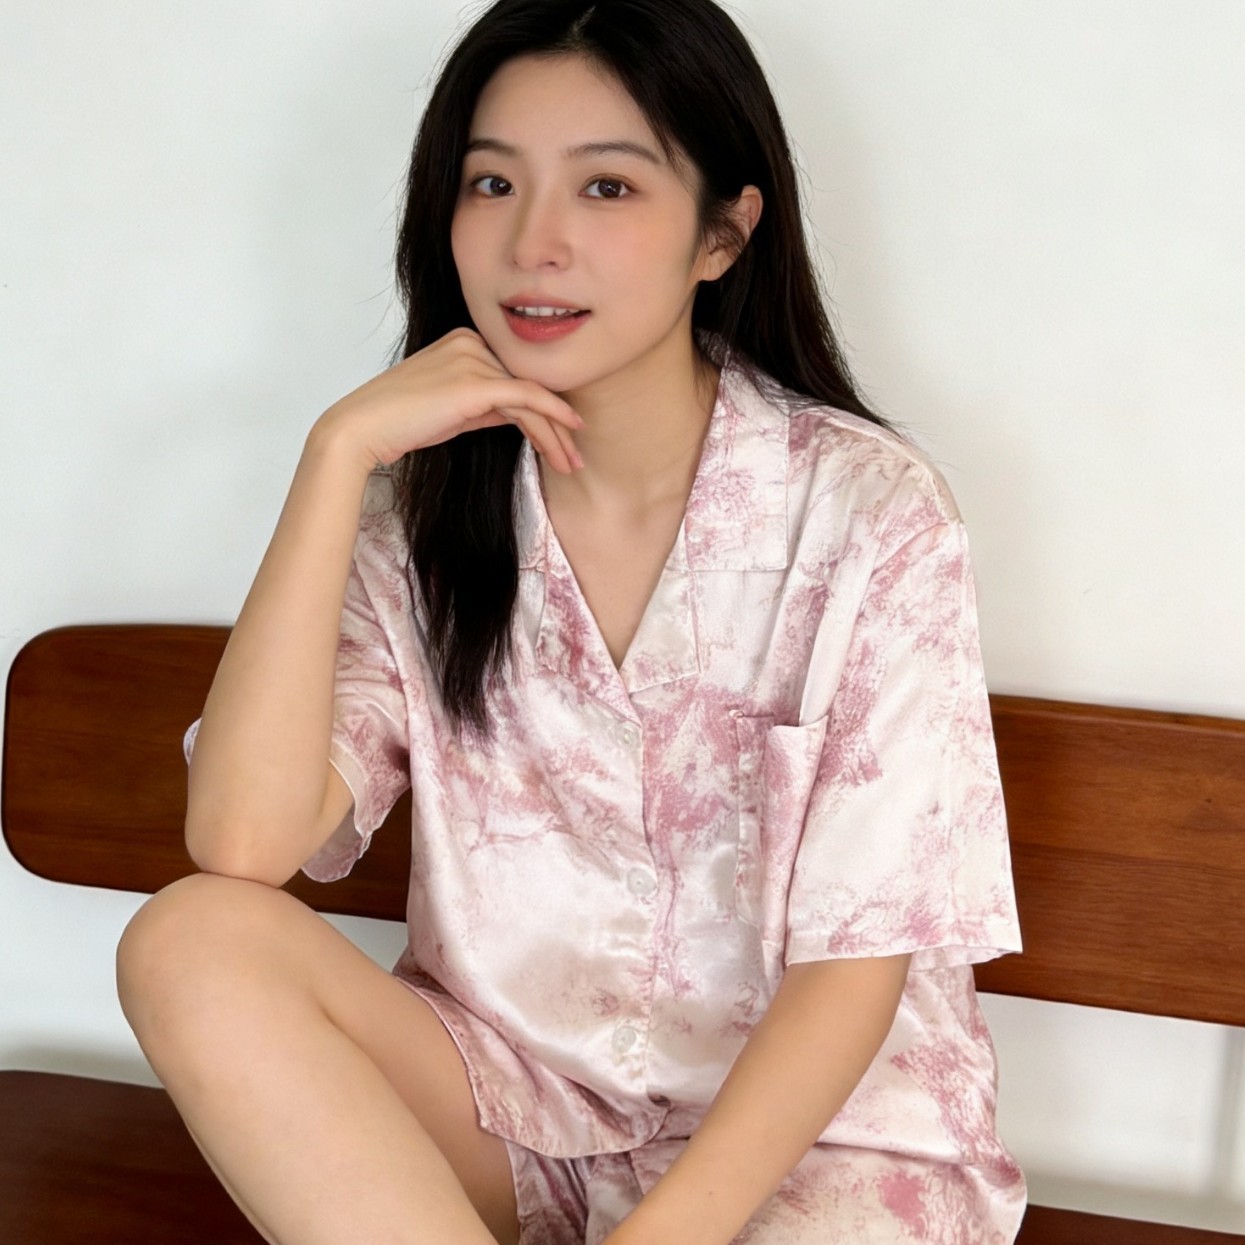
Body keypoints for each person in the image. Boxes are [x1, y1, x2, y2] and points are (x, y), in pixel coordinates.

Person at [116, 1, 1025, 1241]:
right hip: (514, 1115)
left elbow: (855, 966)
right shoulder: (418, 515)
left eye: (607, 187)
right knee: (190, 939)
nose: (534, 243)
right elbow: (241, 842)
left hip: (822, 1155)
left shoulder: (869, 512)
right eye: (492, 183)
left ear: (723, 234)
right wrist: (336, 457)